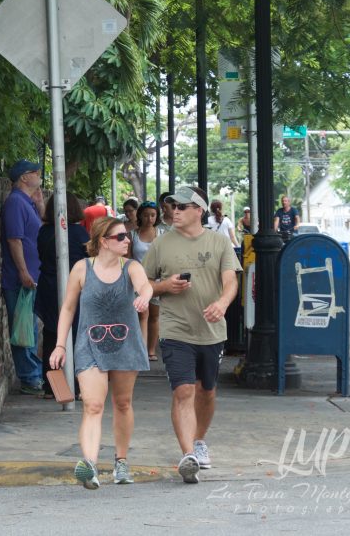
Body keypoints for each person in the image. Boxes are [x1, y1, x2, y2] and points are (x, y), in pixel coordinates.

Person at [142, 186, 241, 484]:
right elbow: (144, 283)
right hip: (175, 329)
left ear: (199, 210)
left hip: (211, 330)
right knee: (183, 390)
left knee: (206, 390)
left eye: (183, 207)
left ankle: (199, 439)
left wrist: (222, 304)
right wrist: (164, 287)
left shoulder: (219, 241)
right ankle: (189, 456)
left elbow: (230, 281)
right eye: (173, 207)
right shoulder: (161, 244)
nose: (175, 212)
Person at [50, 216, 153, 489]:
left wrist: (144, 295)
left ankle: (121, 461)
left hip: (125, 343)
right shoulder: (82, 269)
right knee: (93, 404)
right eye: (120, 237)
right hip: (90, 344)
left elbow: (145, 285)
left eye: (126, 236)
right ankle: (90, 465)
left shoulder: (131, 267)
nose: (126, 240)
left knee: (122, 403)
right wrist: (60, 344)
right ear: (103, 241)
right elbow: (68, 308)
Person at [35, 193, 90, 398]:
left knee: (51, 336)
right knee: (76, 336)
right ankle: (76, 387)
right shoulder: (79, 233)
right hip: (75, 288)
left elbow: (41, 255)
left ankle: (52, 388)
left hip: (49, 287)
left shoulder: (44, 232)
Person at [1, 159, 45, 395]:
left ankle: (33, 375)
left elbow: (43, 228)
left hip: (31, 277)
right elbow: (14, 239)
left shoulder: (27, 202)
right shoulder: (15, 203)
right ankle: (29, 378)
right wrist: (23, 271)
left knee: (30, 329)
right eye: (34, 171)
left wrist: (39, 205)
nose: (39, 174)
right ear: (24, 178)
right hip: (21, 279)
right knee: (23, 330)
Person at [130, 201, 161, 361]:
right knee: (142, 314)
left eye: (153, 215)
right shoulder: (133, 234)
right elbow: (127, 257)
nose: (150, 218)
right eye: (146, 215)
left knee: (155, 316)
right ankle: (141, 349)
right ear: (140, 216)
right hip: (137, 279)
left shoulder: (161, 234)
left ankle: (151, 350)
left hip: (156, 279)